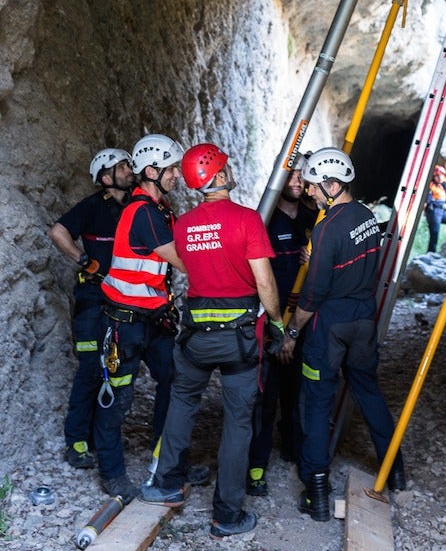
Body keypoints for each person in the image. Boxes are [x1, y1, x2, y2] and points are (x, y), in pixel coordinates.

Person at [140, 142, 285, 541]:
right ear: (219, 176)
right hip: (237, 339)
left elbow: (194, 267)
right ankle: (226, 515)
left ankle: (167, 482)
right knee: (237, 422)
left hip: (194, 336)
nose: (229, 171)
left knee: (182, 403)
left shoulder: (182, 225)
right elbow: (264, 280)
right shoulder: (247, 220)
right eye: (226, 167)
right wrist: (276, 321)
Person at [280, 147, 406, 523]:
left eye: (316, 187)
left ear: (333, 185)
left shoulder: (326, 227)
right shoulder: (366, 216)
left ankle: (316, 491)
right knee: (368, 390)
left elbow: (313, 294)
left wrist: (291, 332)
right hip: (364, 317)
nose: (309, 193)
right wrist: (317, 255)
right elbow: (349, 255)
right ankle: (394, 468)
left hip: (330, 323)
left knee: (316, 401)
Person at [93, 133, 187, 505]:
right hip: (126, 322)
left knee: (174, 382)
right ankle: (112, 473)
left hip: (154, 319)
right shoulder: (143, 213)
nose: (177, 174)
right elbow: (183, 258)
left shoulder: (161, 211)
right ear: (151, 171)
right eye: (172, 169)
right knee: (118, 396)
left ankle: (166, 463)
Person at [49, 148, 134, 469]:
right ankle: (77, 441)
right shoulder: (92, 207)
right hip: (91, 303)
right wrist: (83, 259)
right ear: (105, 177)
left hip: (122, 301)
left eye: (128, 165)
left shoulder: (137, 206)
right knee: (89, 370)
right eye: (122, 167)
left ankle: (101, 437)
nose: (129, 170)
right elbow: (58, 232)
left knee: (115, 369)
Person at [247, 157, 316, 495]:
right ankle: (256, 468)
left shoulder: (312, 217)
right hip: (271, 320)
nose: (298, 181)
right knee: (266, 396)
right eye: (293, 174)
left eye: (304, 175)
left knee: (298, 392)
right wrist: (277, 328)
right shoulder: (263, 219)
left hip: (302, 319)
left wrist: (312, 257)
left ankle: (294, 448)